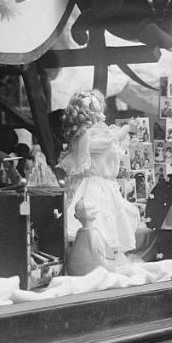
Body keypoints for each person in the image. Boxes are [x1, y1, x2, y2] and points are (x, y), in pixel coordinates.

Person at [57, 90, 141, 256]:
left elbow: (110, 146)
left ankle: (100, 256)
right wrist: (127, 128)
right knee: (98, 223)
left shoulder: (88, 134)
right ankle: (93, 257)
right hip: (94, 186)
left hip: (100, 185)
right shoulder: (88, 135)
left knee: (104, 225)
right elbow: (107, 142)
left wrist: (126, 138)